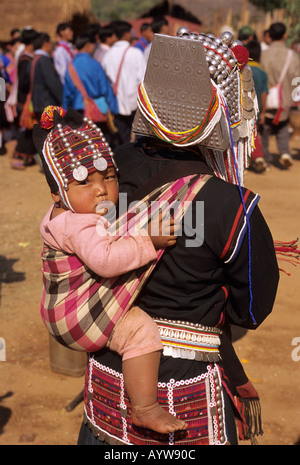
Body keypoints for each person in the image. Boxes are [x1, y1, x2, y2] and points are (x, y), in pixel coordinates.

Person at [75, 30, 279, 446]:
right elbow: (252, 310)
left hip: (108, 381)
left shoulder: (105, 175)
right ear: (220, 111)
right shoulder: (230, 205)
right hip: (181, 394)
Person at [33, 105, 187, 434]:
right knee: (140, 331)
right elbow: (105, 261)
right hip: (73, 314)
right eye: (85, 183)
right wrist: (149, 241)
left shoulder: (63, 215)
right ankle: (144, 406)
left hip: (57, 311)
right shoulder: (81, 225)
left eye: (109, 176)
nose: (102, 189)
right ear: (58, 194)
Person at [62, 31, 119, 146]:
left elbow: (67, 93)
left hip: (78, 110)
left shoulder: (70, 66)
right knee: (102, 141)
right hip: (98, 111)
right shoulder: (95, 65)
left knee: (84, 143)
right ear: (89, 45)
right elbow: (105, 89)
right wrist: (113, 109)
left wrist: (64, 112)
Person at [261, 22, 300, 169]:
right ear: (285, 35)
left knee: (264, 128)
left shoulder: (263, 55)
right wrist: (294, 98)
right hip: (284, 98)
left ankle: (265, 159)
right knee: (283, 126)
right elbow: (297, 79)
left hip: (266, 98)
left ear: (269, 35)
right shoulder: (293, 56)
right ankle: (285, 153)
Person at [101, 20, 146, 144]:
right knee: (139, 136)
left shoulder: (108, 55)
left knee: (122, 136)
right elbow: (142, 78)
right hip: (134, 101)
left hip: (116, 101)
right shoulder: (135, 53)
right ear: (126, 34)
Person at [10, 27, 39, 170]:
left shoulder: (25, 57)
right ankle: (18, 157)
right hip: (25, 100)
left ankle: (25, 156)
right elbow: (25, 82)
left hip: (26, 99)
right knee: (29, 129)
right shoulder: (25, 59)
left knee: (31, 129)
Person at [245, 40, 268, 173]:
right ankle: (258, 157)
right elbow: (264, 94)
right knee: (254, 133)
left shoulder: (243, 70)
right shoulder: (263, 73)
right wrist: (263, 112)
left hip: (242, 108)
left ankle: (249, 161)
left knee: (244, 136)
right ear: (260, 55)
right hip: (257, 109)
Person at [32, 32, 62, 119]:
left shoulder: (33, 60)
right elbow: (52, 82)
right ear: (45, 43)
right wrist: (62, 99)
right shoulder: (44, 60)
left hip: (37, 104)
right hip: (47, 104)